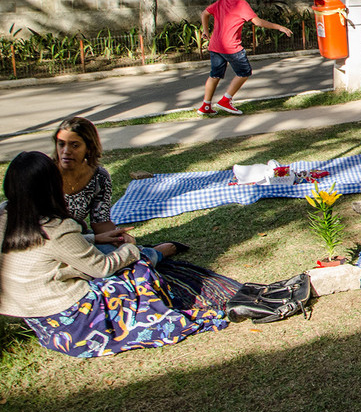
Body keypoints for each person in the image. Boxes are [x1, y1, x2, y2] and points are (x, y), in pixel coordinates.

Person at [0, 152, 231, 358]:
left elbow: (43, 247)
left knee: (110, 250)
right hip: (73, 320)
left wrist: (94, 238)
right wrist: (130, 248)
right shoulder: (57, 227)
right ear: (51, 186)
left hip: (38, 320)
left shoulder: (5, 213)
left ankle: (151, 254)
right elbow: (102, 268)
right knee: (135, 270)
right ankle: (155, 254)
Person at [53, 116, 181, 265]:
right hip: (48, 245)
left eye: (75, 145)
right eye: (61, 144)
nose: (66, 151)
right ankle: (152, 255)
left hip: (80, 239)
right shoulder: (44, 174)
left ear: (89, 148)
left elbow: (101, 223)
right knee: (108, 265)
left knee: (117, 253)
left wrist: (119, 237)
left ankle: (147, 255)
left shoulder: (99, 177)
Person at [198, 0, 292, 116]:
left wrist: (206, 31)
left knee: (214, 75)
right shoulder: (242, 5)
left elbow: (205, 13)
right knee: (244, 72)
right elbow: (258, 22)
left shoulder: (221, 2)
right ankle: (225, 100)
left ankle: (205, 106)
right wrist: (279, 27)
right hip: (231, 47)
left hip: (215, 46)